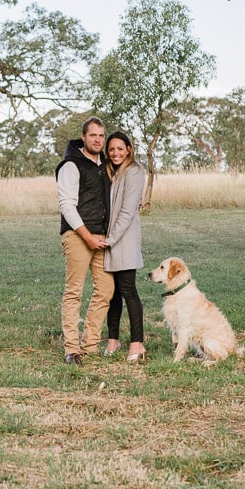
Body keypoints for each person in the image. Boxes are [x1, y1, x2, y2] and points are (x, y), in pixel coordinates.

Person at [54, 116, 114, 365]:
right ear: (84, 137)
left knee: (105, 290)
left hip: (102, 236)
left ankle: (89, 345)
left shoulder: (107, 165)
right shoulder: (71, 165)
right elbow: (67, 205)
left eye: (101, 135)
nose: (98, 140)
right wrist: (87, 236)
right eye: (93, 135)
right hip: (78, 235)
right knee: (74, 292)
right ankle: (72, 349)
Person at [99, 131, 148, 362]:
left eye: (120, 148)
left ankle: (137, 344)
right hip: (111, 240)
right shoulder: (113, 173)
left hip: (123, 239)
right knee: (113, 293)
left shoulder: (135, 171)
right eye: (111, 149)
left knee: (128, 290)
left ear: (129, 149)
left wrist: (111, 238)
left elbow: (128, 211)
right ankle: (113, 339)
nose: (115, 153)